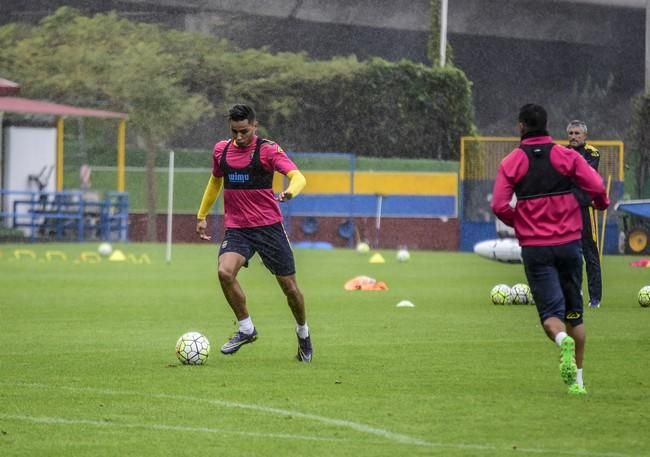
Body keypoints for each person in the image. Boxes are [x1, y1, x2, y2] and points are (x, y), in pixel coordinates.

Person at [491, 104, 609, 395]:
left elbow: (498, 205)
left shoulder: (512, 162)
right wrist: (602, 204)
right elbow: (596, 186)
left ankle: (560, 341)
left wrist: (520, 221)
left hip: (536, 249)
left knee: (550, 316)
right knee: (575, 316)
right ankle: (578, 383)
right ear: (548, 125)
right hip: (569, 244)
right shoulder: (565, 155)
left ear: (521, 127)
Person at [195, 104, 312, 362]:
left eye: (244, 131)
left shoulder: (267, 150)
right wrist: (202, 215)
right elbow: (215, 181)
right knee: (224, 272)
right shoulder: (221, 151)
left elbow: (298, 177)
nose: (239, 137)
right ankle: (246, 328)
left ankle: (303, 333)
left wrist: (291, 191)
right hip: (238, 228)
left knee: (290, 288)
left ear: (255, 126)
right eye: (234, 131)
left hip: (268, 227)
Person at [567, 120, 602, 309]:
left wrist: (570, 174)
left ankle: (595, 298)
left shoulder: (592, 152)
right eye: (571, 133)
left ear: (585, 136)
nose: (573, 136)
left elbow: (585, 175)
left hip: (585, 209)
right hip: (565, 211)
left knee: (590, 253)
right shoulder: (561, 152)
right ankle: (574, 292)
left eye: (577, 133)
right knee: (569, 254)